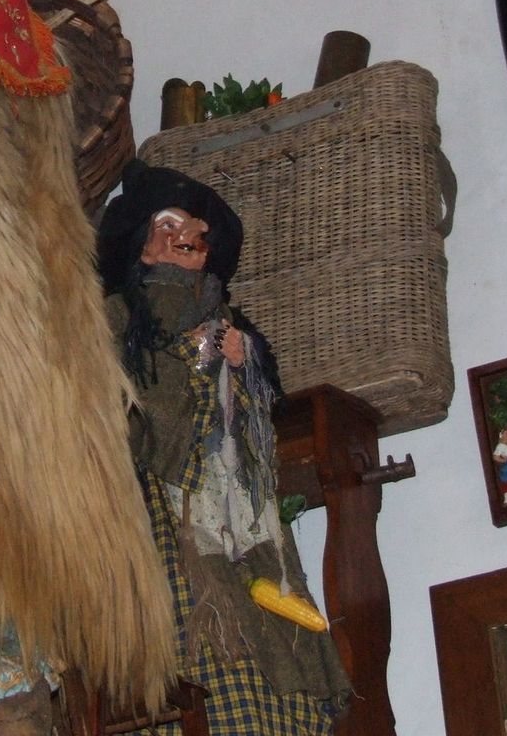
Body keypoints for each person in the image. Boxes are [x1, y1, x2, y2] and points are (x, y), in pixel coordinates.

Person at [96, 162, 351, 735]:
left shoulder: (226, 317)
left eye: (196, 228)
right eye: (170, 224)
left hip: (238, 501)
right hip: (165, 508)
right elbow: (123, 409)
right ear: (142, 246)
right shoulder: (117, 318)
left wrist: (243, 362)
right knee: (199, 643)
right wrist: (196, 359)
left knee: (266, 620)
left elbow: (259, 408)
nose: (188, 234)